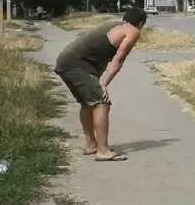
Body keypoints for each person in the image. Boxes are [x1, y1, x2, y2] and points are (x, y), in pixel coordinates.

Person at [54, 8, 146, 162]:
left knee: (87, 103)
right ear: (141, 23)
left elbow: (98, 55)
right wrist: (103, 84)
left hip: (66, 61)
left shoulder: (114, 25)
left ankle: (91, 145)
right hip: (76, 64)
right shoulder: (133, 31)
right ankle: (103, 151)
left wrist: (98, 81)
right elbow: (119, 59)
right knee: (101, 103)